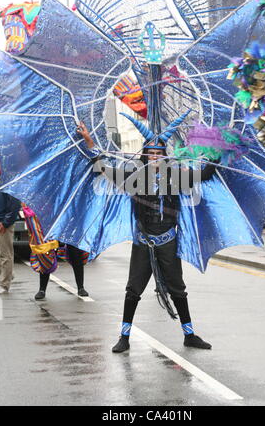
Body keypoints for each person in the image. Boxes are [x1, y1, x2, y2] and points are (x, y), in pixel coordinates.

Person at [78, 115, 217, 353]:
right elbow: (102, 167)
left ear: (164, 155)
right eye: (150, 153)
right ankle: (124, 337)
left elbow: (205, 174)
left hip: (168, 242)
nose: (154, 157)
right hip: (143, 243)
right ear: (144, 154)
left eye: (158, 153)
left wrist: (215, 149)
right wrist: (90, 141)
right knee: (133, 290)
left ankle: (189, 334)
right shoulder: (135, 177)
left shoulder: (177, 176)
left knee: (178, 290)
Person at [0, 156, 21, 294]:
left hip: (2, 223)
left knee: (5, 254)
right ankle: (8, 273)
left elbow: (14, 205)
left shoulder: (9, 181)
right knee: (4, 257)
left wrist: (6, 222)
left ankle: (4, 284)